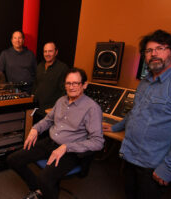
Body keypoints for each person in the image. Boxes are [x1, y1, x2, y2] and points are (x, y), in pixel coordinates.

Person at [103, 29, 171, 199]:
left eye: (160, 48)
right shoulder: (145, 82)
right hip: (130, 156)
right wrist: (116, 127)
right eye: (149, 51)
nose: (153, 54)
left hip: (153, 165)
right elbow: (135, 112)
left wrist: (169, 167)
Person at [7, 68, 104, 199]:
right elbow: (48, 120)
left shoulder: (92, 108)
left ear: (84, 85)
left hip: (70, 151)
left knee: (44, 178)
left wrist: (66, 147)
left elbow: (98, 142)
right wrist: (35, 129)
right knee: (13, 159)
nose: (71, 87)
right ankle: (38, 190)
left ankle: (44, 189)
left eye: (75, 83)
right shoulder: (61, 100)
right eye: (68, 83)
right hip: (50, 142)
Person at [32, 42, 69, 124]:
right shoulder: (40, 66)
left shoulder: (63, 68)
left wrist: (56, 108)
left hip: (50, 111)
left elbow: (65, 91)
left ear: (56, 52)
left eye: (50, 51)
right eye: (45, 51)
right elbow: (36, 84)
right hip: (37, 109)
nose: (47, 54)